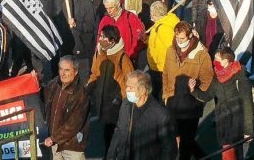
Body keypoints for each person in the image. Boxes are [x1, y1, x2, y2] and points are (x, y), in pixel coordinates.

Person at [189, 46, 254, 160]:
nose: (214, 62)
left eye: (217, 59)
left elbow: (247, 105)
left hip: (238, 124)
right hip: (224, 121)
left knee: (236, 154)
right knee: (228, 152)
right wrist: (194, 90)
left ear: (226, 61)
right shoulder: (218, 75)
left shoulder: (240, 78)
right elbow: (208, 95)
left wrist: (248, 132)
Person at [163, 21, 213, 160]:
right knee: (177, 137)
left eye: (182, 38)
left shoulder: (201, 55)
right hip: (173, 103)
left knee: (185, 143)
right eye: (177, 38)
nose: (178, 41)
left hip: (191, 105)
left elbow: (207, 80)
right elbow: (166, 74)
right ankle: (202, 156)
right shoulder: (170, 50)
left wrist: (196, 87)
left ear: (190, 36)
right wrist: (166, 95)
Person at [107, 70, 177, 160]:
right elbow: (119, 132)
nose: (126, 90)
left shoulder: (161, 115)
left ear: (143, 90)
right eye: (127, 86)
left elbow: (169, 149)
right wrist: (110, 156)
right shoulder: (126, 105)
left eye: (130, 87)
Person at [87, 25, 134, 155]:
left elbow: (131, 81)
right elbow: (94, 73)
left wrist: (119, 98)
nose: (100, 39)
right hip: (102, 100)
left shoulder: (122, 57)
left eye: (103, 37)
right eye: (100, 36)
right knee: (106, 132)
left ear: (112, 40)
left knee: (113, 134)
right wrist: (88, 89)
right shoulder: (99, 52)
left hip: (116, 103)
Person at [44, 55, 89, 160]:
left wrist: (54, 138)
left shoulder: (81, 94)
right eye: (61, 69)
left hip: (72, 146)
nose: (62, 73)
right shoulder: (54, 84)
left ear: (76, 71)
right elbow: (43, 97)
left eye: (67, 70)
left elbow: (74, 124)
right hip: (55, 143)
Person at [98, 0, 146, 67]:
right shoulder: (105, 20)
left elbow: (139, 39)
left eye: (111, 8)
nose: (109, 11)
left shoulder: (130, 17)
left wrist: (130, 55)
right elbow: (99, 40)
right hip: (109, 61)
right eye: (106, 8)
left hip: (127, 59)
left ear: (118, 5)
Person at [65, 0, 96, 83]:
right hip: (70, 45)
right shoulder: (67, 1)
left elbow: (90, 26)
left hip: (83, 47)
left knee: (83, 76)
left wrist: (76, 24)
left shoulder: (87, 3)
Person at [147, 1, 179, 101]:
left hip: (161, 68)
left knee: (160, 94)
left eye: (152, 13)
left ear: (155, 14)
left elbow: (172, 49)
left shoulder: (163, 28)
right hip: (158, 66)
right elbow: (156, 42)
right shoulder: (161, 23)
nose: (150, 15)